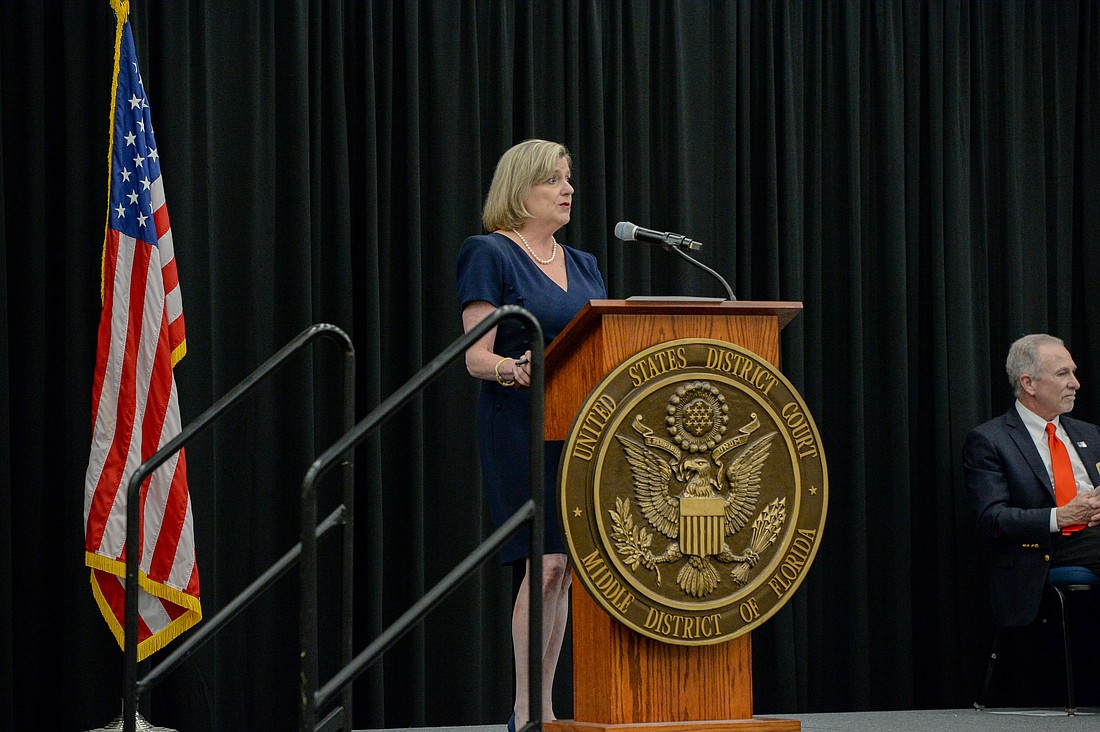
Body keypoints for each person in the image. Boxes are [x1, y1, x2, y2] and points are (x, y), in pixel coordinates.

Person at [456, 139, 607, 731]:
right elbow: (475, 356)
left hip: (581, 428)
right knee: (541, 564)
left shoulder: (587, 263)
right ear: (519, 191)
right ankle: (525, 707)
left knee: (564, 569)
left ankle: (544, 705)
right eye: (552, 180)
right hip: (519, 424)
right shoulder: (489, 253)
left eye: (569, 179)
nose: (567, 190)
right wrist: (511, 369)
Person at [964, 333, 1100, 628]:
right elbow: (992, 518)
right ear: (1029, 384)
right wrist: (1059, 517)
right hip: (1042, 551)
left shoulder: (1089, 434)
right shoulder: (991, 440)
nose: (1075, 383)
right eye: (1063, 373)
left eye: (1074, 372)